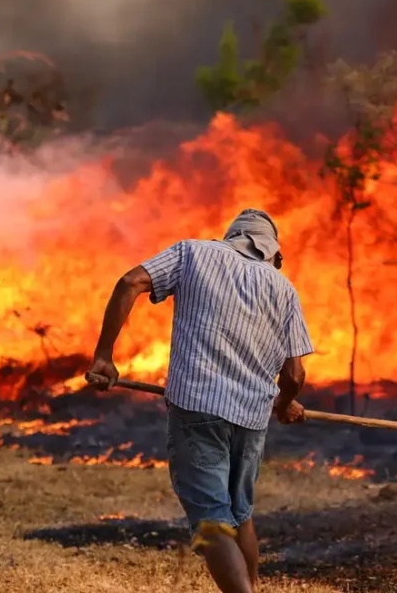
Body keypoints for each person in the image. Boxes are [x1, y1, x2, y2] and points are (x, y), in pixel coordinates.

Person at [85, 209, 313, 593]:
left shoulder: (194, 253)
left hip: (198, 408)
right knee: (241, 517)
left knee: (212, 521)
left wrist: (104, 355)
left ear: (231, 238)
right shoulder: (284, 288)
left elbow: (131, 281)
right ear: (273, 252)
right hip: (251, 418)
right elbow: (294, 376)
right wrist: (283, 402)